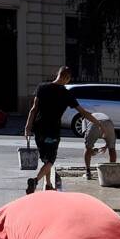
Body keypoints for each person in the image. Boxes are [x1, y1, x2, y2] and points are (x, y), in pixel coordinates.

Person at [23, 66, 103, 194]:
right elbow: (83, 112)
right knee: (50, 160)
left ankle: (48, 185)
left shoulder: (42, 87)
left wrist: (27, 127)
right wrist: (98, 123)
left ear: (58, 74)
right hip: (52, 131)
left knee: (45, 159)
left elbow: (33, 109)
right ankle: (35, 180)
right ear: (66, 78)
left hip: (38, 129)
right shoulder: (66, 94)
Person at [83, 111, 117, 179]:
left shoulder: (85, 119)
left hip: (94, 124)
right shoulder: (102, 115)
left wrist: (91, 151)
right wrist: (106, 146)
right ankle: (111, 172)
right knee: (112, 148)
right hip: (108, 122)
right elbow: (109, 139)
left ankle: (88, 173)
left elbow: (87, 141)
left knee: (87, 148)